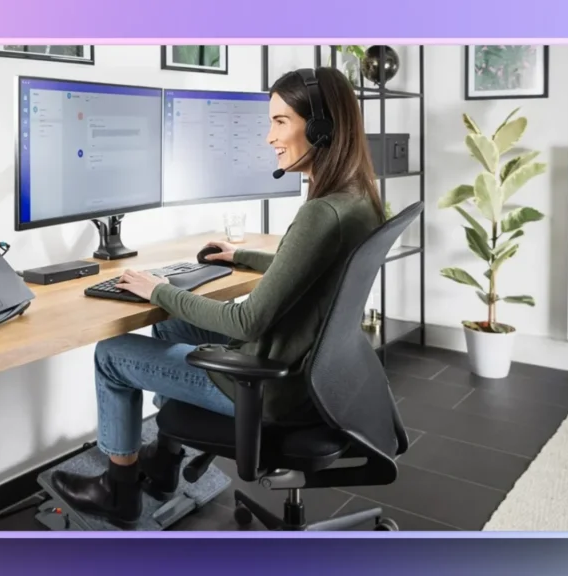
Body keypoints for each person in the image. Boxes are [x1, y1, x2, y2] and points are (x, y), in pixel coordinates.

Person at [49, 66, 386, 527]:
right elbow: (311, 267)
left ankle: (118, 492)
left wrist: (159, 288)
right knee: (171, 321)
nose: (270, 137)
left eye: (280, 121)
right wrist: (241, 256)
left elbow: (247, 322)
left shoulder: (321, 212)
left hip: (271, 388)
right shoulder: (358, 198)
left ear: (322, 129)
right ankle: (165, 462)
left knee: (111, 353)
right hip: (311, 374)